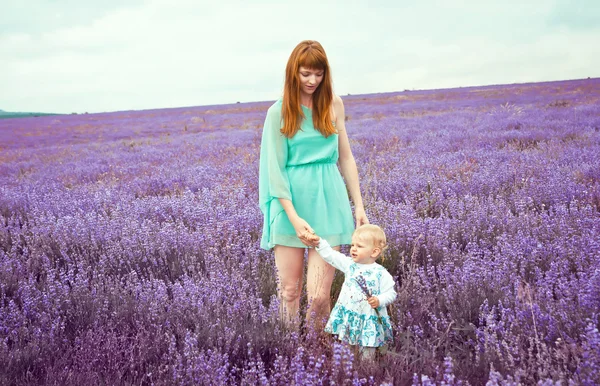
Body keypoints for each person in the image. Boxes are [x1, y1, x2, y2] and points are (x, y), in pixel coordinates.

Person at [258, 40, 368, 328]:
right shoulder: (278, 112)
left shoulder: (334, 104)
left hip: (329, 202)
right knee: (290, 292)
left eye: (318, 74)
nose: (312, 81)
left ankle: (315, 352)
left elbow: (346, 158)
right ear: (293, 72)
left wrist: (359, 204)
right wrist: (294, 219)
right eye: (306, 73)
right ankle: (290, 354)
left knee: (319, 297)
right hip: (290, 206)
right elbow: (275, 171)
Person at [305, 224, 396, 360]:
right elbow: (332, 256)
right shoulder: (349, 265)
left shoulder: (381, 273)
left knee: (367, 349)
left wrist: (379, 300)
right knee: (347, 348)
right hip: (350, 314)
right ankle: (347, 370)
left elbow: (391, 293)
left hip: (368, 318)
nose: (353, 249)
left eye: (359, 246)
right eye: (352, 245)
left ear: (374, 252)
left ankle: (367, 371)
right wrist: (319, 242)